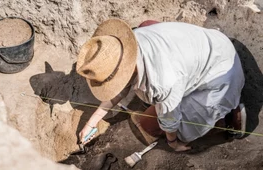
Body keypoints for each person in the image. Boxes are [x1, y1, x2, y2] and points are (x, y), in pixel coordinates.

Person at [76, 18, 246, 152]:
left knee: (149, 126)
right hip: (208, 44)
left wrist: (174, 143)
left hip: (221, 76)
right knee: (147, 24)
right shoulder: (132, 40)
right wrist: (92, 123)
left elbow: (169, 121)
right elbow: (120, 88)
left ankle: (229, 116)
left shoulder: (162, 82)